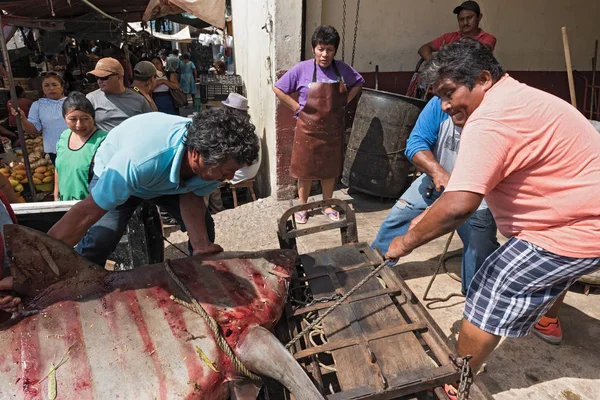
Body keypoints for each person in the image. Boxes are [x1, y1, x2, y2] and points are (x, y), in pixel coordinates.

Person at [386, 38, 600, 399]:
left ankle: (457, 381)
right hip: (572, 213)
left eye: (450, 92)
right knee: (537, 274)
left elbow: (459, 205)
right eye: (439, 95)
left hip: (574, 227)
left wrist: (406, 241)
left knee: (490, 286)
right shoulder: (518, 95)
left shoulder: (491, 119)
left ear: (484, 78)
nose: (445, 104)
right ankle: (545, 320)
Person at [43, 109, 259, 269]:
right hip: (123, 170)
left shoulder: (213, 163)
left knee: (204, 229)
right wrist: (43, 255)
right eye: (227, 171)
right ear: (195, 154)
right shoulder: (141, 160)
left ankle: (198, 278)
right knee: (101, 238)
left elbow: (192, 194)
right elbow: (86, 212)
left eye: (233, 171)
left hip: (166, 182)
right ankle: (81, 284)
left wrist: (201, 244)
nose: (229, 178)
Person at [371, 96, 499, 295]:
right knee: (398, 216)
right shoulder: (440, 104)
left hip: (477, 192)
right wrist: (438, 172)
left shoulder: (493, 115)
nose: (447, 104)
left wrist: (421, 224)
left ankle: (478, 296)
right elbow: (416, 142)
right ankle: (375, 268)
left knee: (479, 236)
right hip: (435, 180)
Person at [273, 25, 364, 224]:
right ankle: (302, 207)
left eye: (329, 49)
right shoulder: (301, 69)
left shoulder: (341, 69)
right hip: (307, 129)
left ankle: (327, 205)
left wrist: (345, 101)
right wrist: (297, 107)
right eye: (321, 49)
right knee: (304, 171)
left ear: (334, 51)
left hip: (332, 130)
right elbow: (278, 88)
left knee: (329, 170)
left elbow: (358, 82)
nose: (325, 54)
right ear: (314, 48)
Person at [54, 91, 108, 201]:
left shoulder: (103, 141)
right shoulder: (64, 137)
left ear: (93, 118)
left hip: (91, 207)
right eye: (72, 119)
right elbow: (58, 169)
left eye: (85, 118)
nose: (79, 125)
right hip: (64, 204)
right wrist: (56, 195)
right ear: (64, 118)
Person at [11, 72, 68, 164]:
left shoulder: (72, 102)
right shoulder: (38, 105)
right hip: (55, 150)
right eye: (46, 85)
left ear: (62, 87)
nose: (51, 88)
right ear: (42, 89)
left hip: (78, 146)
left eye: (54, 84)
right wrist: (22, 118)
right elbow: (33, 130)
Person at [86, 57, 153, 132]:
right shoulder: (91, 99)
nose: (99, 81)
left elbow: (150, 125)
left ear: (118, 77)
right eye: (97, 77)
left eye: (104, 77)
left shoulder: (139, 100)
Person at [418, 1, 496, 61]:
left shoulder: (488, 38)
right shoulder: (449, 37)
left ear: (479, 17)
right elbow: (423, 49)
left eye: (469, 18)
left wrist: (450, 49)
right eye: (461, 19)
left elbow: (482, 50)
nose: (465, 23)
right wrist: (433, 64)